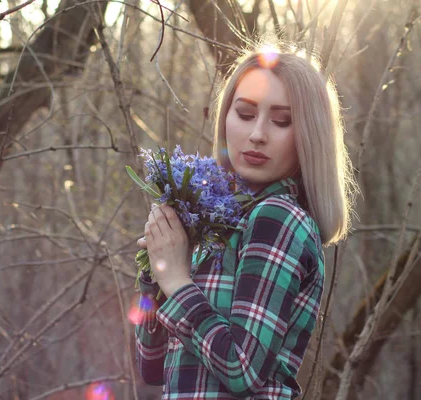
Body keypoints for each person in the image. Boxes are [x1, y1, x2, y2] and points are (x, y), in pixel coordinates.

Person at [134, 45, 356, 399]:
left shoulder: (278, 218)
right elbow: (152, 367)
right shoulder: (217, 223)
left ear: (308, 137)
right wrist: (158, 269)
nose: (258, 134)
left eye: (282, 120)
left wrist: (177, 282)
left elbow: (242, 369)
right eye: (245, 113)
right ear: (225, 118)